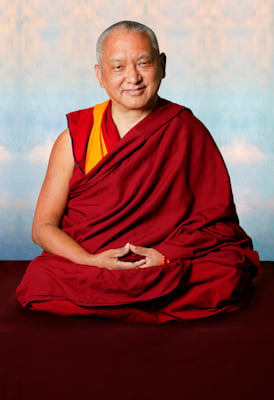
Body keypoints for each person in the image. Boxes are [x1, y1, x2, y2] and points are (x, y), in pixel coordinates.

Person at [16, 21, 260, 323]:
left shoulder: (186, 129)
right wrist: (91, 261)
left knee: (228, 270)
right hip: (92, 263)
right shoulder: (77, 137)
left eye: (143, 63)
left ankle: (116, 298)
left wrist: (166, 255)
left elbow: (217, 222)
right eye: (118, 67)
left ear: (162, 65)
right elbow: (42, 226)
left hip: (161, 262)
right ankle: (134, 296)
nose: (133, 77)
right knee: (42, 276)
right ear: (100, 76)